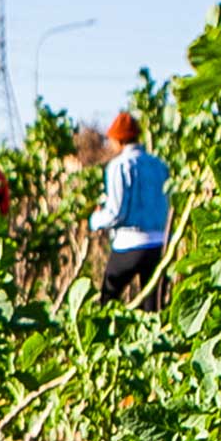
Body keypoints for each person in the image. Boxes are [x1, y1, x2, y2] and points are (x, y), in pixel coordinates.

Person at [90, 110, 170, 303]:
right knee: (154, 308)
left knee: (107, 303)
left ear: (119, 140)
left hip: (130, 243)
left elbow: (117, 212)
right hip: (158, 244)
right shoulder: (159, 165)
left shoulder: (120, 166)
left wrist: (96, 220)